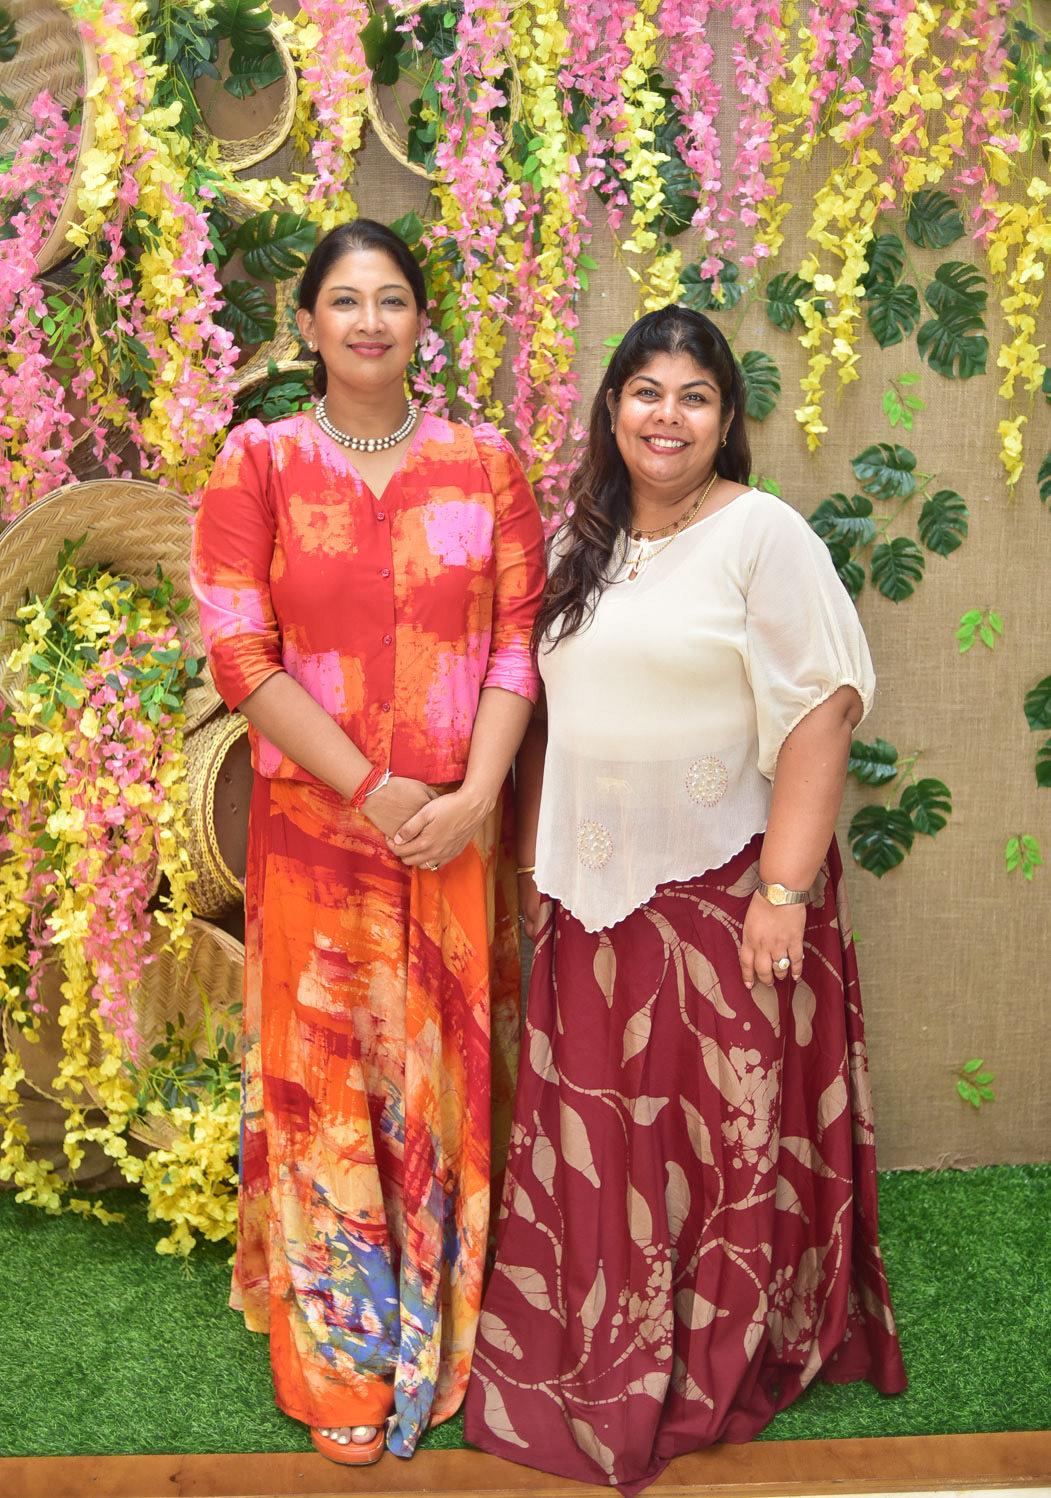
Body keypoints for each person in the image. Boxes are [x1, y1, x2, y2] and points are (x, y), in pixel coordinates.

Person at [463, 305, 906, 1493]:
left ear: (725, 420)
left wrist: (784, 889)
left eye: (694, 396)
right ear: (612, 408)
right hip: (590, 897)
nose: (668, 415)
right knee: (607, 1140)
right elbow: (551, 715)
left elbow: (823, 708)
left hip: (724, 892)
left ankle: (717, 1349)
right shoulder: (585, 540)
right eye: (647, 391)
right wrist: (536, 864)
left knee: (718, 1142)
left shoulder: (761, 534)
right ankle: (605, 1340)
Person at [190, 219, 546, 1466]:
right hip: (318, 835)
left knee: (439, 1078)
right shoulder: (259, 464)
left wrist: (475, 794)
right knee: (329, 1090)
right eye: (344, 301)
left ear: (419, 321)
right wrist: (374, 789)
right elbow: (241, 657)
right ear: (307, 325)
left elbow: (516, 645)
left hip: (453, 832)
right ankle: (342, 1352)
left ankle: (445, 1327)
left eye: (392, 299)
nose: (369, 322)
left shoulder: (484, 465)